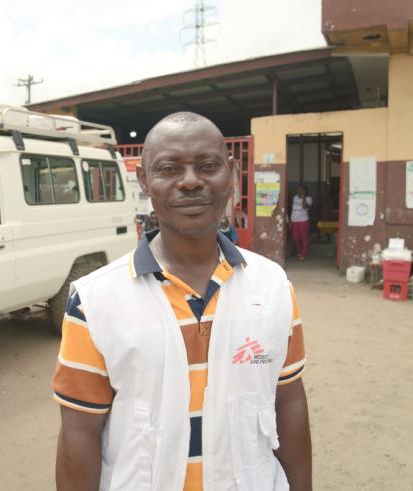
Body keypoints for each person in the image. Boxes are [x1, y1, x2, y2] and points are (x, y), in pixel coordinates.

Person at [52, 112, 311, 491]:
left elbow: (289, 402)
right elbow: (79, 430)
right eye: (169, 168)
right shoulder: (94, 301)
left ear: (231, 173)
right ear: (144, 181)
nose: (190, 181)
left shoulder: (273, 287)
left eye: (207, 166)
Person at [289, 185, 312, 261]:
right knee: (295, 238)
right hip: (294, 220)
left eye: (302, 190)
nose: (299, 191)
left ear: (305, 191)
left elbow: (304, 206)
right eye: (298, 190)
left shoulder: (309, 198)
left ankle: (303, 254)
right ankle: (299, 251)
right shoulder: (294, 197)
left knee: (304, 238)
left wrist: (303, 197)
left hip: (303, 220)